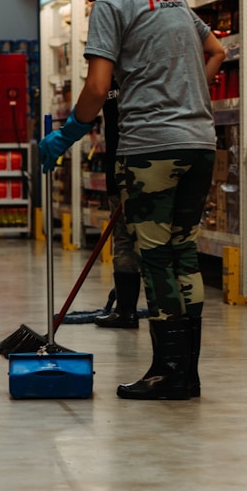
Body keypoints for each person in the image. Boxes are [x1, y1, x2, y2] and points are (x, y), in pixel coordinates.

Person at [39, 0, 226, 400]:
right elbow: (217, 50)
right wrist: (191, 99)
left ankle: (168, 372)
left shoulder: (110, 2)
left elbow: (99, 86)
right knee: (184, 253)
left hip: (151, 149)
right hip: (200, 144)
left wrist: (68, 134)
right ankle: (188, 373)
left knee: (156, 258)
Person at [93, 80, 141, 329]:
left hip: (119, 167)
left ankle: (126, 311)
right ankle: (164, 311)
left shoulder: (106, 76)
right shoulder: (147, 68)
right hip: (153, 164)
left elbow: (89, 106)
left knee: (123, 242)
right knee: (159, 243)